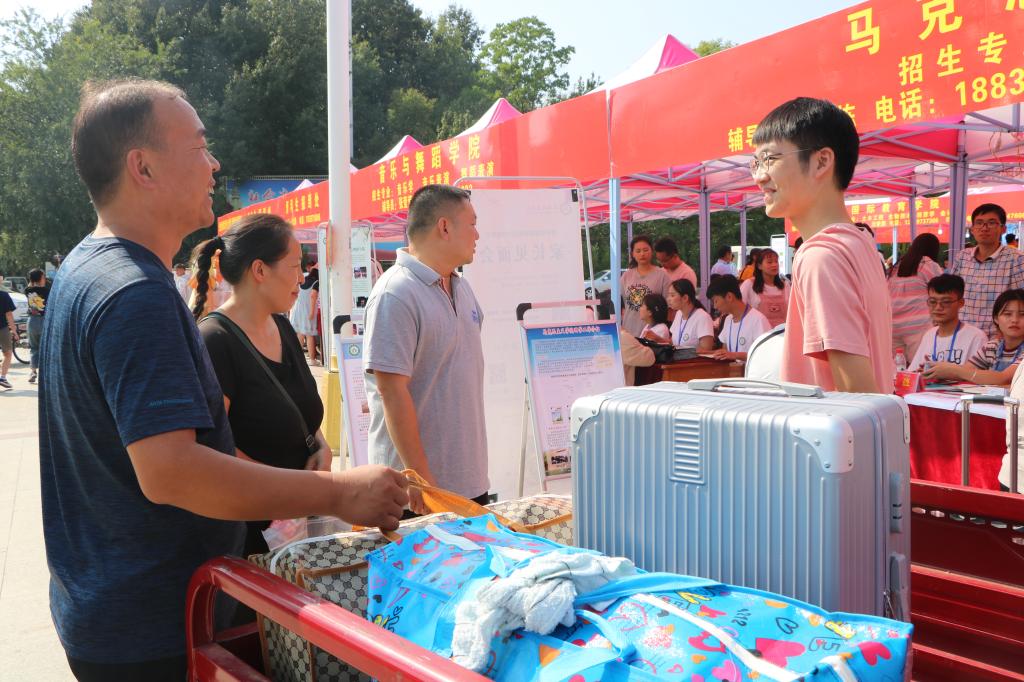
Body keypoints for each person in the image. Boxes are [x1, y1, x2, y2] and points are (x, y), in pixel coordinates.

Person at [39, 79, 407, 681]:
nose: (213, 164)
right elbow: (172, 472)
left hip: (115, 609)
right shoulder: (134, 293)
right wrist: (338, 493)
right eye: (199, 146)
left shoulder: (88, 268)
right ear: (143, 167)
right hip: (156, 627)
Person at [194, 214, 333, 557]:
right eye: (295, 266)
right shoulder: (215, 340)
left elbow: (297, 407)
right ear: (259, 270)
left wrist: (320, 445)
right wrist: (289, 487)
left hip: (297, 515)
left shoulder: (283, 328)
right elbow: (214, 447)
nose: (302, 278)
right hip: (250, 529)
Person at [752, 97, 893, 393]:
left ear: (821, 161)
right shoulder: (861, 244)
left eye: (770, 159)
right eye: (756, 163)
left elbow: (857, 399)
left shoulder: (820, 257)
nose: (759, 176)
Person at [364, 184, 488, 516]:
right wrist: (418, 476)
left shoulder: (462, 286)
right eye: (472, 224)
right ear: (444, 227)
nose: (477, 234)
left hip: (469, 481)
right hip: (416, 492)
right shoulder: (395, 293)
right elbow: (391, 391)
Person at [948, 203, 1024, 336]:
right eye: (979, 223)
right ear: (972, 229)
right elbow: (952, 294)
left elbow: (1021, 301)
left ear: (1003, 229)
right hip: (961, 335)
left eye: (991, 223)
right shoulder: (962, 257)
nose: (984, 228)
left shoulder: (1017, 259)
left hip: (997, 337)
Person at [925, 289, 1024, 386]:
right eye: (1007, 314)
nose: (1014, 320)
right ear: (996, 318)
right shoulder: (991, 347)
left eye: (1022, 314)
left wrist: (953, 369)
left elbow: (1003, 378)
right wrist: (936, 370)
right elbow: (966, 371)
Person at [907, 274, 987, 371]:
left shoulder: (976, 337)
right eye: (933, 302)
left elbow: (979, 376)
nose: (938, 307)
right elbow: (913, 371)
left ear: (961, 303)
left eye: (946, 302)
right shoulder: (929, 335)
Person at [889, 233, 944, 362]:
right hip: (919, 325)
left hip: (893, 326)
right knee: (919, 367)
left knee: (898, 368)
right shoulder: (928, 265)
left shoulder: (897, 266)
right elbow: (942, 290)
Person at [706, 275, 771, 361]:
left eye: (716, 301)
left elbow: (765, 354)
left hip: (750, 370)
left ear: (729, 297)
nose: (715, 306)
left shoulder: (758, 320)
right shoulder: (728, 320)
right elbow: (725, 351)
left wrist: (735, 355)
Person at [620, 235, 672, 337]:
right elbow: (623, 303)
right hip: (629, 331)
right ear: (632, 254)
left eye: (645, 250)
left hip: (653, 333)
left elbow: (669, 307)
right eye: (638, 251)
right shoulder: (626, 276)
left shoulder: (662, 275)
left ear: (652, 251)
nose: (642, 254)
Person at [647, 279, 715, 351]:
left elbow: (706, 349)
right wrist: (657, 339)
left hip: (692, 358)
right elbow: (673, 343)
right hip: (678, 357)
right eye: (668, 295)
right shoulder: (679, 314)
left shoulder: (702, 317)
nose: (668, 299)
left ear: (685, 298)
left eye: (672, 295)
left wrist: (685, 353)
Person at [740, 248, 790, 328]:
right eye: (769, 262)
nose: (774, 265)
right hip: (758, 333)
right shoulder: (749, 285)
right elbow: (739, 309)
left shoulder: (786, 286)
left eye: (776, 261)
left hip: (782, 333)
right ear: (759, 266)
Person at [291, 258, 320, 364]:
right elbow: (313, 296)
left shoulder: (303, 279)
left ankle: (297, 358)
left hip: (297, 308)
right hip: (308, 310)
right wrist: (312, 312)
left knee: (300, 333)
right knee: (309, 335)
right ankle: (312, 359)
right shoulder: (316, 282)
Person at [25, 268, 50, 384]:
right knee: (46, 348)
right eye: (43, 277)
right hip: (44, 321)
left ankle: (33, 371)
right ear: (40, 278)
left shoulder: (27, 290)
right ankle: (45, 373)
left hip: (32, 321)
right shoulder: (47, 291)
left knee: (34, 347)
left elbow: (30, 285)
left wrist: (33, 280)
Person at [0, 283, 15, 389]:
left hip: (3, 328)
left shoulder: (4, 295)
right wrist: (14, 330)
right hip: (3, 328)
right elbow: (9, 315)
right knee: (8, 353)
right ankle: (3, 378)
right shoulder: (4, 295)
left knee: (7, 353)